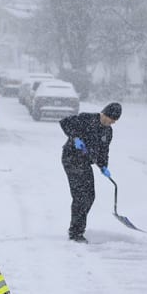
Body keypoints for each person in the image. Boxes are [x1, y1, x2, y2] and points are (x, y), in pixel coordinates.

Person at [58, 102, 122, 242]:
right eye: (111, 119)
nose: (112, 122)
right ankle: (76, 233)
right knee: (81, 196)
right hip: (71, 159)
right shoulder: (86, 119)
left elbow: (104, 151)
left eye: (115, 121)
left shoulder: (108, 131)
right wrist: (74, 138)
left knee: (90, 196)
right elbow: (64, 123)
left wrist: (103, 166)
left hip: (85, 162)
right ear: (105, 114)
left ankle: (77, 228)